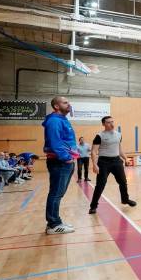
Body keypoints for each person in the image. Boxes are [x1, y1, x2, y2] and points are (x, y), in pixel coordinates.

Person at [42, 96, 78, 234]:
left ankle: (55, 221)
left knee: (58, 193)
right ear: (56, 106)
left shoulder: (62, 119)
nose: (69, 104)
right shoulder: (54, 121)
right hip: (60, 162)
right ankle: (53, 224)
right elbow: (55, 141)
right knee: (56, 193)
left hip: (64, 161)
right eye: (65, 102)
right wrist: (65, 157)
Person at [89, 116, 136, 214]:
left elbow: (119, 149)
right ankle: (93, 206)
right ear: (103, 124)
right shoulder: (99, 136)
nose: (112, 124)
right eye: (108, 122)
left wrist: (126, 158)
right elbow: (93, 151)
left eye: (112, 122)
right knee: (100, 185)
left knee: (123, 182)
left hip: (116, 161)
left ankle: (125, 199)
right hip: (103, 162)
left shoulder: (118, 135)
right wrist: (94, 165)